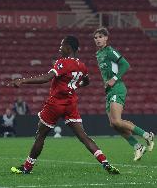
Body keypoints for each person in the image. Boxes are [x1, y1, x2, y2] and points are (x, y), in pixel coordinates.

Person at [8, 36, 120, 175]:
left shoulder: (62, 63)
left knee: (40, 136)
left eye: (62, 45)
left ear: (69, 47)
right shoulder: (82, 65)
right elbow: (87, 81)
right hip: (70, 104)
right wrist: (74, 86)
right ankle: (105, 162)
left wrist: (23, 81)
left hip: (55, 104)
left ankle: (26, 167)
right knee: (83, 137)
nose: (60, 48)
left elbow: (47, 78)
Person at [93, 27, 154, 161]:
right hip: (109, 91)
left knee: (116, 120)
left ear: (106, 38)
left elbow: (125, 64)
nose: (97, 39)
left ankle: (147, 135)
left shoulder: (110, 51)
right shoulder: (99, 54)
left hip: (117, 88)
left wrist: (114, 79)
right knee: (114, 124)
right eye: (95, 37)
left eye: (100, 37)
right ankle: (138, 146)